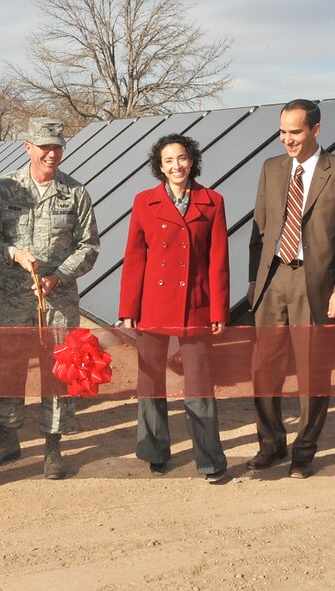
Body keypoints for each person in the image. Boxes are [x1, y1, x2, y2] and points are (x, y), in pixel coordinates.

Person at [0, 117, 100, 479]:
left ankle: (54, 445)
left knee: (60, 368)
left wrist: (57, 277)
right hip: (11, 296)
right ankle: (7, 438)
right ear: (28, 146)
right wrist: (13, 253)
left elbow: (89, 246)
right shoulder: (5, 189)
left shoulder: (75, 193)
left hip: (58, 300)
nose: (51, 153)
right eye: (44, 146)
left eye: (57, 146)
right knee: (6, 368)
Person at [247, 99, 335, 479]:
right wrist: (254, 282)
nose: (288, 140)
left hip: (315, 285)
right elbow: (259, 230)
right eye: (283, 132)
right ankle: (271, 444)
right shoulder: (271, 168)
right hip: (272, 281)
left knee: (312, 372)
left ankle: (303, 452)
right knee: (263, 370)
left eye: (295, 132)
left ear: (316, 130)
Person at [119, 133, 230, 483]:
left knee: (199, 385)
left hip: (196, 305)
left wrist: (219, 311)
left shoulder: (213, 201)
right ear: (160, 166)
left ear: (192, 160)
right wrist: (128, 308)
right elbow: (135, 258)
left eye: (181, 158)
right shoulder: (143, 202)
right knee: (151, 382)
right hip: (153, 305)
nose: (176, 166)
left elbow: (218, 260)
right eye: (168, 160)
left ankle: (210, 459)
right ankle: (154, 452)